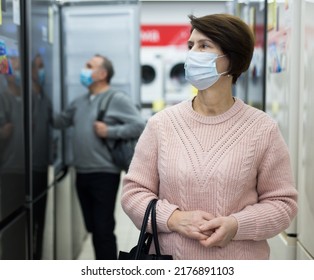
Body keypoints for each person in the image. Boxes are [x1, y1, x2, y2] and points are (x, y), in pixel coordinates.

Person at [121, 14, 298, 260]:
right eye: (191, 46)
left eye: (204, 46)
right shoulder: (161, 124)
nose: (193, 54)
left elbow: (282, 204)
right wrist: (174, 219)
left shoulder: (262, 129)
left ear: (232, 59)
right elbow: (133, 194)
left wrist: (236, 225)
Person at [53, 54, 146, 260]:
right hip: (81, 173)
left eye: (89, 66)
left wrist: (110, 132)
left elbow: (141, 125)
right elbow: (59, 121)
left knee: (103, 229)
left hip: (104, 173)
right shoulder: (79, 102)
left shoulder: (116, 99)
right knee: (93, 226)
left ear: (102, 74)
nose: (84, 70)